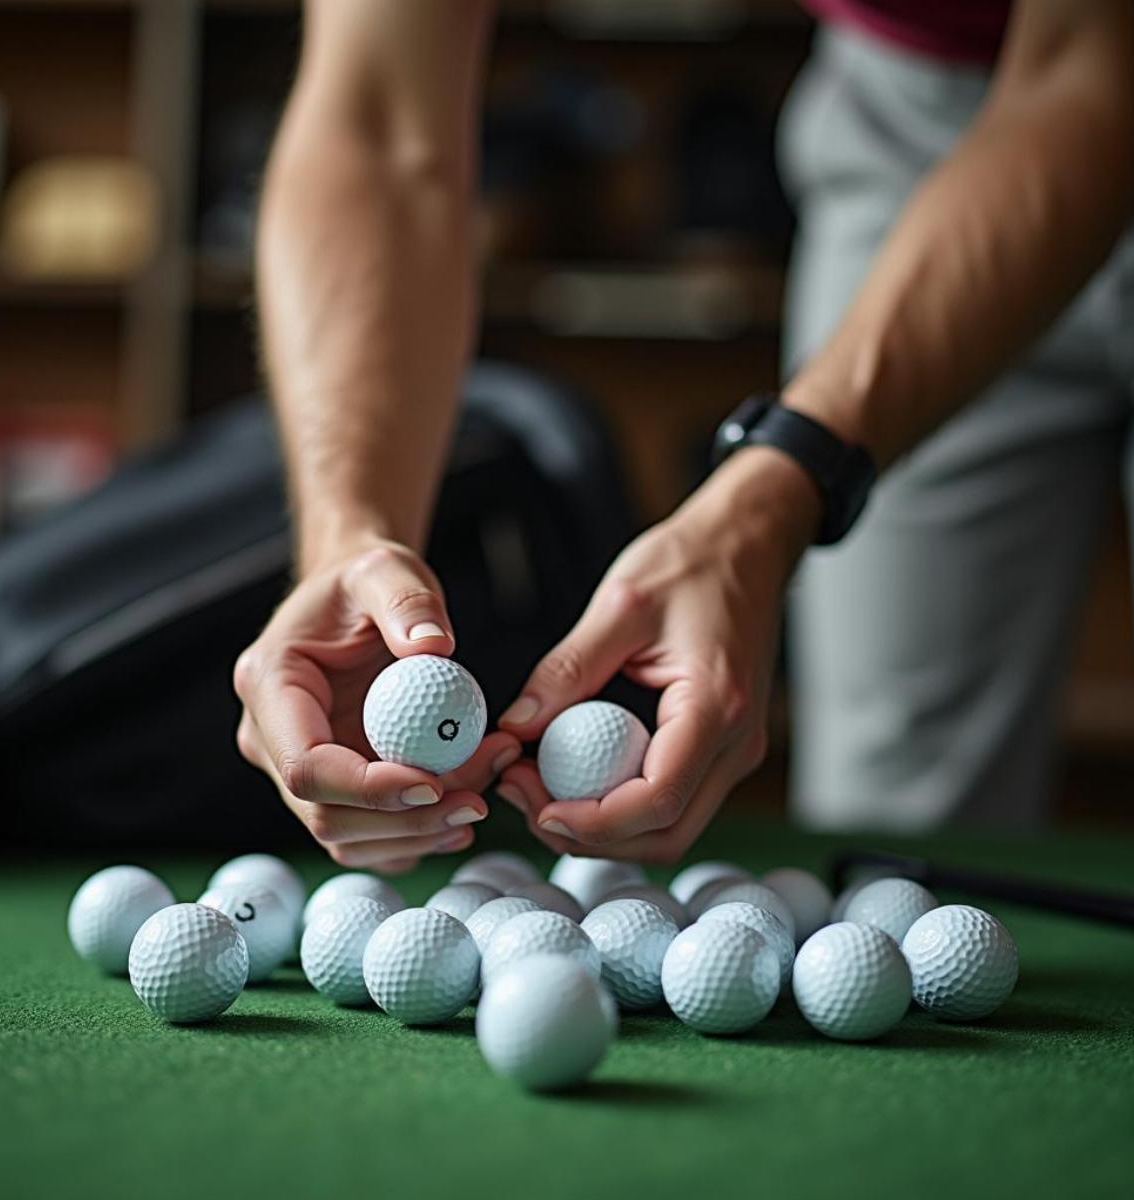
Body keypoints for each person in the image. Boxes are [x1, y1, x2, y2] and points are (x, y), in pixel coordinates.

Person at [234, 0, 1134, 871]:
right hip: (915, 100)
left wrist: (772, 495)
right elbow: (381, 120)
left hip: (1090, 59)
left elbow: (1089, 72)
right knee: (903, 824)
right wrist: (346, 537)